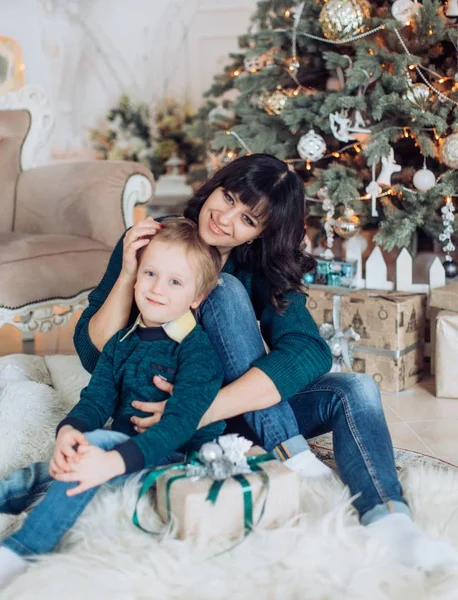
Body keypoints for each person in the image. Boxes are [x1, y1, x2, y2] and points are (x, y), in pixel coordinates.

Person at [72, 153, 458, 572]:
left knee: (357, 389)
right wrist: (129, 273)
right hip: (159, 412)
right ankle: (293, 455)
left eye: (248, 219)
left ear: (259, 234)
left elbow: (310, 350)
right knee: (224, 289)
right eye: (229, 197)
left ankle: (389, 521)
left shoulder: (259, 266)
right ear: (214, 186)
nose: (225, 218)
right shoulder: (153, 239)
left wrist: (200, 409)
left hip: (227, 413)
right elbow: (93, 354)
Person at [0, 218, 226, 588]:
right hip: (118, 456)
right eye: (150, 273)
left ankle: (19, 552)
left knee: (97, 445)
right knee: (43, 472)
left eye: (175, 282)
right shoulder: (122, 343)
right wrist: (70, 432)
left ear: (197, 297)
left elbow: (180, 424)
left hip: (176, 461)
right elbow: (96, 399)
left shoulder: (197, 352)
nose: (157, 288)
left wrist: (112, 458)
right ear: (135, 275)